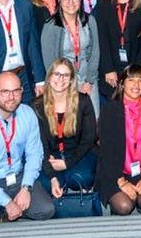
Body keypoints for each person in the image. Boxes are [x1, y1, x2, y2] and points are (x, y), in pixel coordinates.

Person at [0, 71, 56, 227]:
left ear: (21, 91)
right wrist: (7, 202)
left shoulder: (27, 114)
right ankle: (1, 209)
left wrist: (26, 187)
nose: (11, 97)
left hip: (17, 178)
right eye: (5, 92)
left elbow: (35, 154)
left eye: (16, 91)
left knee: (46, 210)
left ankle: (6, 213)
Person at [96, 64, 141, 215]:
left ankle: (140, 201)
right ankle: (121, 202)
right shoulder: (110, 110)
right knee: (124, 206)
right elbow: (106, 152)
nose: (136, 85)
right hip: (116, 171)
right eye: (131, 80)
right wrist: (121, 182)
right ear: (122, 83)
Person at [32, 58, 98, 198]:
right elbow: (40, 145)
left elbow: (88, 139)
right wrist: (51, 175)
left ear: (71, 80)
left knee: (80, 178)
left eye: (66, 75)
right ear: (49, 77)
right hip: (50, 155)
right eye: (57, 74)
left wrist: (68, 163)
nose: (61, 79)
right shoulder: (37, 106)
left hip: (79, 153)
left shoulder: (83, 101)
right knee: (46, 183)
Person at [40, 0, 101, 115]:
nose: (71, 3)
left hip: (88, 78)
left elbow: (95, 53)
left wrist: (89, 81)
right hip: (62, 81)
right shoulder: (51, 26)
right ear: (59, 2)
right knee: (70, 123)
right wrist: (70, 83)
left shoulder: (90, 21)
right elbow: (50, 62)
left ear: (80, 0)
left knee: (93, 121)